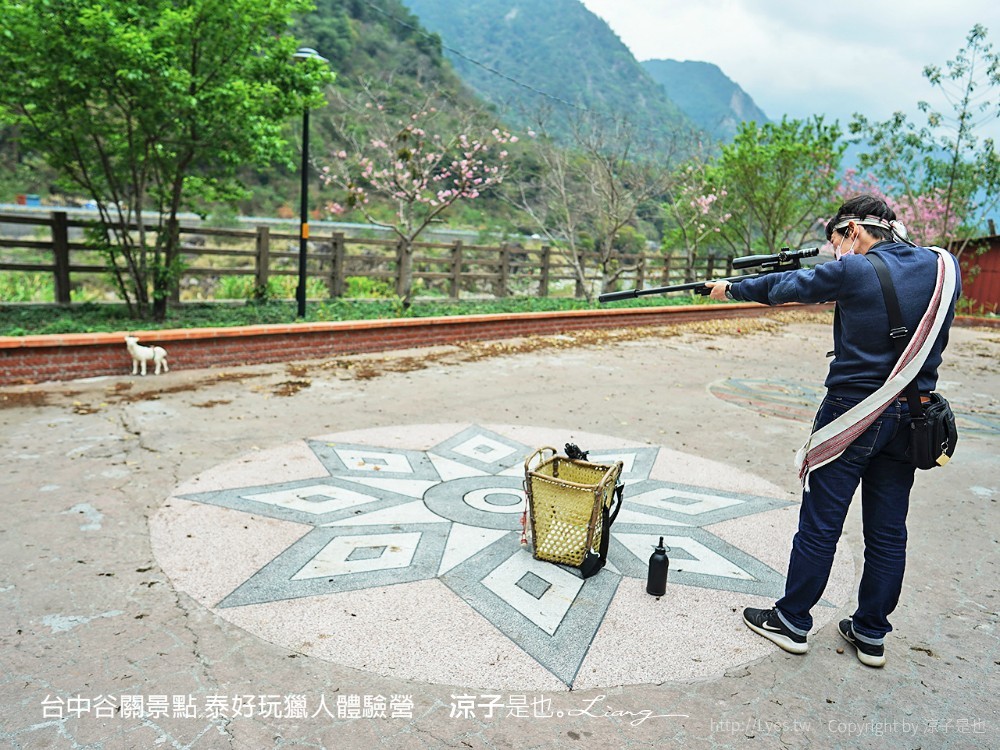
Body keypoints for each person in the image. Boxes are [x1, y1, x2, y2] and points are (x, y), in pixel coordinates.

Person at [705, 193, 961, 668]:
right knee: (888, 531)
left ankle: (792, 621)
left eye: (837, 241)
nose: (836, 251)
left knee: (821, 523)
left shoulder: (856, 270)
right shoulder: (945, 267)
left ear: (855, 231)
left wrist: (731, 289)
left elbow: (787, 285)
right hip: (913, 417)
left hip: (852, 412)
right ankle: (871, 633)